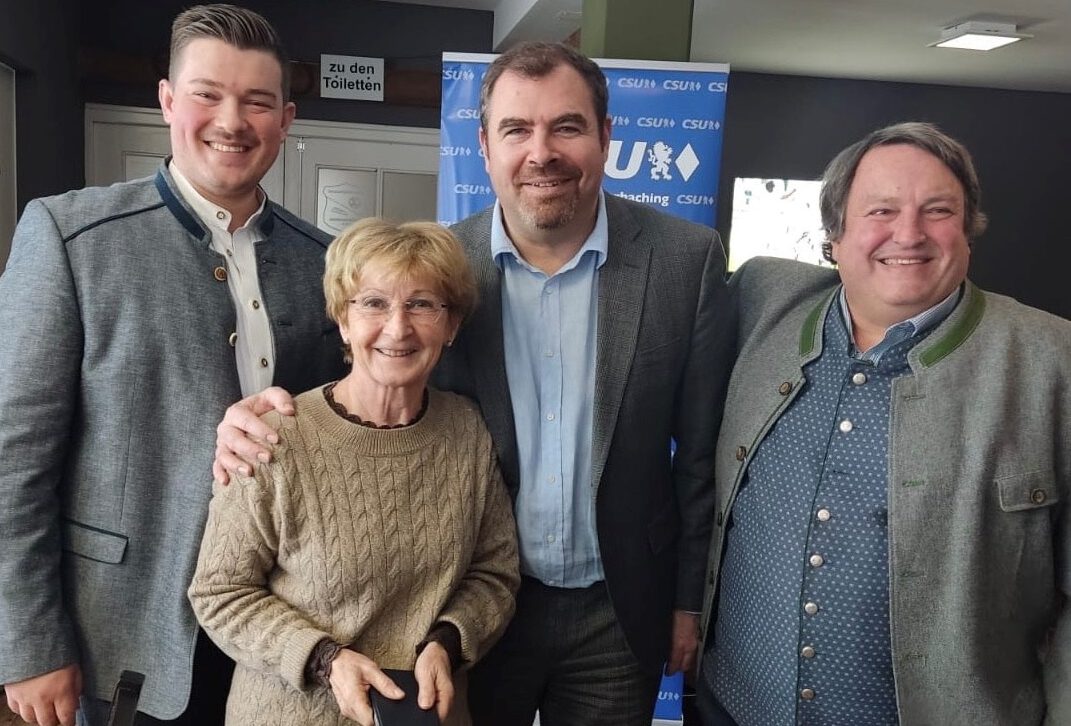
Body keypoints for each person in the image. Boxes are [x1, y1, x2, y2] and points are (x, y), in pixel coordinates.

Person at [214, 41, 733, 726]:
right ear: (484, 146)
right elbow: (354, 378)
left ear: (605, 136)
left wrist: (688, 600)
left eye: (567, 126)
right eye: (516, 129)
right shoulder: (436, 271)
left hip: (618, 611)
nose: (541, 152)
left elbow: (700, 454)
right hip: (466, 610)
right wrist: (246, 419)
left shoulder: (684, 261)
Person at [0, 5, 347, 725]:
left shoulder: (323, 262)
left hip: (282, 636)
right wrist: (27, 644)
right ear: (166, 101)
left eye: (257, 102)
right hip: (126, 638)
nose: (232, 121)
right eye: (207, 94)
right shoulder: (70, 237)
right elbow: (12, 460)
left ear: (285, 120)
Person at [696, 122, 1071, 725]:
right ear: (835, 234)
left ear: (969, 231)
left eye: (938, 210)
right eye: (881, 210)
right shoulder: (763, 301)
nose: (909, 233)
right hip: (734, 708)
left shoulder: (1054, 364)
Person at [188, 218, 519, 726]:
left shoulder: (468, 430)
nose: (398, 328)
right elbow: (219, 593)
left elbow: (494, 572)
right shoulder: (271, 438)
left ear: (451, 326)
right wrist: (326, 660)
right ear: (343, 320)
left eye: (422, 304)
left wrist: (447, 643)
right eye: (374, 303)